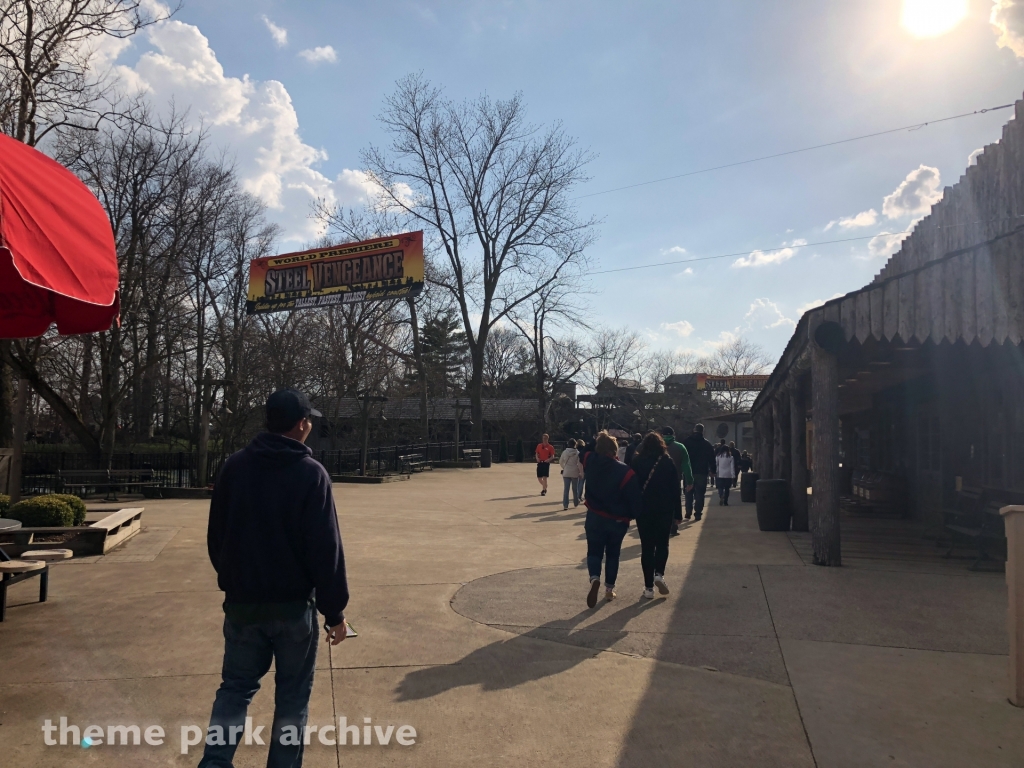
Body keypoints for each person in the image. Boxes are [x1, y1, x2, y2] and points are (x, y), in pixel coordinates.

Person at [201, 389, 349, 768]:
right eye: (309, 419)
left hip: (243, 604)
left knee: (234, 689)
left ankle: (215, 762)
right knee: (292, 700)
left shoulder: (234, 466)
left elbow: (216, 536)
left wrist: (232, 579)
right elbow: (325, 550)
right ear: (301, 424)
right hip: (292, 606)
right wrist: (335, 612)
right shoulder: (310, 474)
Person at [581, 431, 642, 607]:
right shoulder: (626, 471)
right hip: (617, 520)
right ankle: (609, 589)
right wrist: (631, 515)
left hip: (594, 515)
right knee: (613, 554)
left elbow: (583, 450)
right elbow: (634, 499)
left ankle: (594, 578)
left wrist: (597, 438)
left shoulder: (590, 461)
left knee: (594, 551)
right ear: (615, 452)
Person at [631, 432, 682, 599]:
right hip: (664, 509)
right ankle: (659, 573)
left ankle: (648, 588)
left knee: (647, 547)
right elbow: (676, 489)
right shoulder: (667, 462)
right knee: (662, 544)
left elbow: (632, 486)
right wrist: (678, 513)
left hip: (644, 510)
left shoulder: (637, 462)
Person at [659, 426, 694, 536]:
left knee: (660, 503)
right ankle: (673, 527)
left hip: (658, 480)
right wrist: (689, 481)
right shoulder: (680, 447)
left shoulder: (657, 447)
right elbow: (686, 465)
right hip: (675, 479)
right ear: (673, 435)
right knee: (674, 502)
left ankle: (661, 526)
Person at [682, 423, 716, 521]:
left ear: (694, 430)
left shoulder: (686, 442)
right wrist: (713, 470)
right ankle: (698, 513)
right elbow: (712, 459)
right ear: (703, 431)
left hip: (689, 471)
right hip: (702, 472)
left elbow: (682, 457)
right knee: (700, 494)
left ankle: (688, 511)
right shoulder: (707, 444)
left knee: (688, 492)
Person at [559, 439, 582, 510]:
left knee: (566, 489)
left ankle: (565, 504)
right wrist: (580, 471)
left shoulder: (565, 452)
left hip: (566, 472)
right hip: (574, 472)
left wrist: (564, 467)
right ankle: (575, 502)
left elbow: (560, 461)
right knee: (575, 489)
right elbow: (579, 463)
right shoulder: (577, 453)